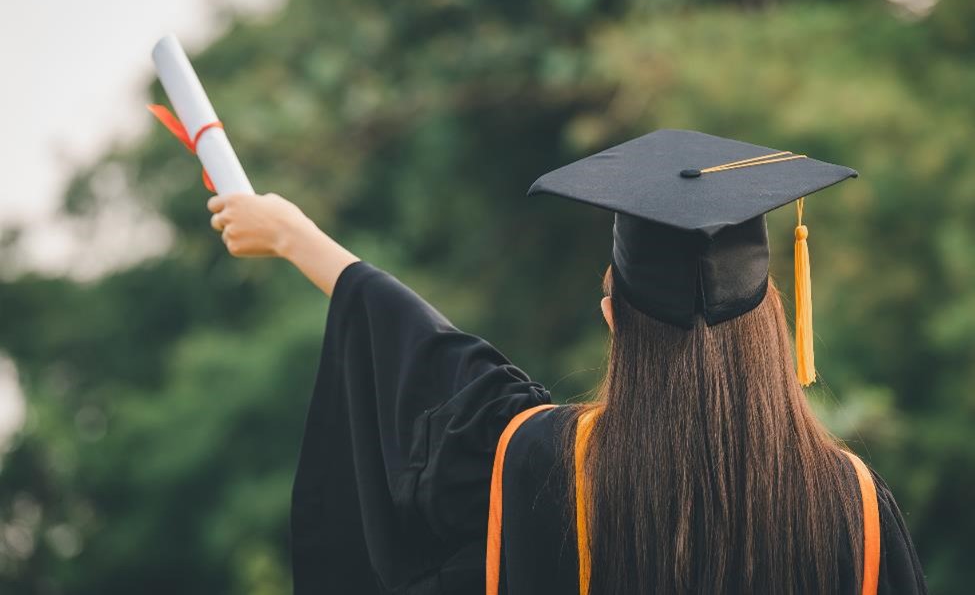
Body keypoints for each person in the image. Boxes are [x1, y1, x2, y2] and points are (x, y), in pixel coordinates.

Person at [205, 129, 927, 594]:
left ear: (613, 315)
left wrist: (295, 236)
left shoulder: (549, 462)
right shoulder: (852, 503)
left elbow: (433, 366)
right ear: (774, 316)